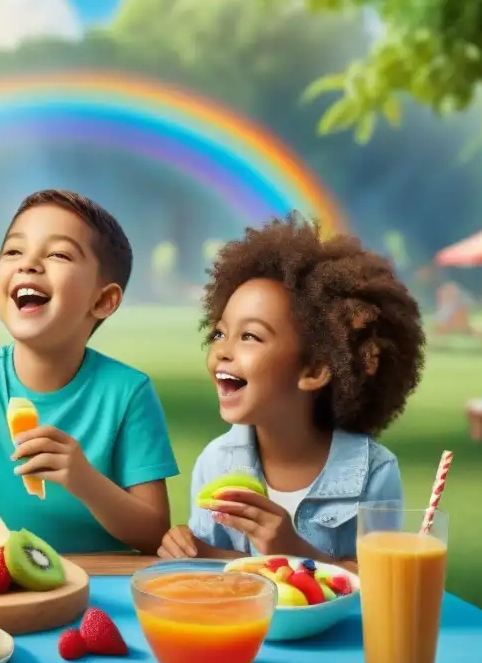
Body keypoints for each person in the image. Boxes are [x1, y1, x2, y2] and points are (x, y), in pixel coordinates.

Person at [158, 216, 425, 571]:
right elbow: (217, 578)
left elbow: (383, 578)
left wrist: (293, 549)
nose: (222, 350)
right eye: (220, 333)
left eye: (250, 336)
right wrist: (193, 550)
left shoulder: (373, 472)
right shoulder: (216, 461)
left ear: (313, 370)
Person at [0, 189, 177, 554]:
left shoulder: (128, 392)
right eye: (13, 251)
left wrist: (86, 481)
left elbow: (155, 534)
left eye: (58, 254)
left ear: (104, 301)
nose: (28, 264)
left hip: (98, 593)